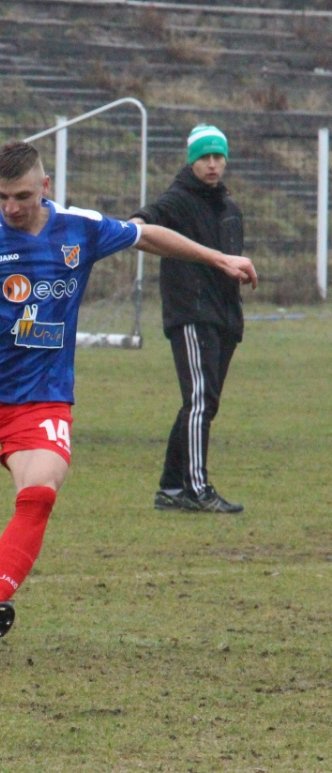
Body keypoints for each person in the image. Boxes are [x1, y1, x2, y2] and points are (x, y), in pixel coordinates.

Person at [0, 141, 256, 653]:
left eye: (21, 196)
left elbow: (148, 235)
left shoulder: (80, 227)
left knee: (40, 491)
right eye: (1, 196)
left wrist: (218, 257)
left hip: (43, 396)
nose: (11, 207)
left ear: (45, 187)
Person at [130, 125, 246, 514]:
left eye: (218, 157)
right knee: (198, 401)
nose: (212, 164)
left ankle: (172, 487)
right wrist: (134, 223)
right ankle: (198, 488)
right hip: (192, 314)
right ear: (191, 160)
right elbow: (150, 217)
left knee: (203, 403)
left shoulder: (230, 209)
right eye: (204, 157)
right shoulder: (178, 200)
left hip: (223, 317)